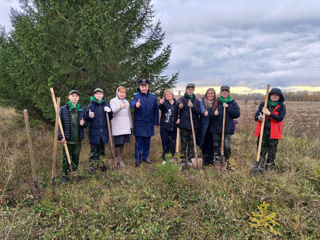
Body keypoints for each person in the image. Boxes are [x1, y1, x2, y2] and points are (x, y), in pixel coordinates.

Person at [58, 90, 87, 182]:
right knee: (66, 157)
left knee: (76, 156)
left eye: (76, 96)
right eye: (72, 96)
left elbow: (86, 123)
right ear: (69, 97)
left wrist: (84, 123)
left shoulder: (82, 109)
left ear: (78, 98)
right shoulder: (63, 109)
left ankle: (74, 172)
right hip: (67, 139)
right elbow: (59, 124)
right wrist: (60, 137)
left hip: (78, 138)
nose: (74, 97)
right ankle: (64, 175)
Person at [254, 88, 286, 170]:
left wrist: (269, 114)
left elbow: (279, 118)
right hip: (263, 131)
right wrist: (259, 117)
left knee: (272, 151)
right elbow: (256, 116)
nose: (274, 96)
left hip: (273, 132)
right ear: (269, 96)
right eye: (273, 94)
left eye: (277, 95)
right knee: (261, 149)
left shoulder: (281, 107)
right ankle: (259, 166)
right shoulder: (263, 105)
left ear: (279, 97)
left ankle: (269, 167)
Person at [209, 85, 240, 170]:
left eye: (226, 91)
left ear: (229, 92)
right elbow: (210, 114)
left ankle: (227, 160)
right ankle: (218, 162)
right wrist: (214, 114)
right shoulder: (216, 102)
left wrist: (228, 107)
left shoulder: (232, 102)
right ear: (220, 92)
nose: (224, 92)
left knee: (226, 146)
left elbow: (237, 114)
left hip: (227, 129)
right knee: (216, 146)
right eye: (223, 91)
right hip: (216, 128)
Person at [130, 78, 159, 167]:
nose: (144, 88)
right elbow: (132, 103)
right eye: (142, 86)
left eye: (145, 86)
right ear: (139, 87)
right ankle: (138, 159)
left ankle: (145, 157)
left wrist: (156, 122)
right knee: (139, 142)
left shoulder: (153, 97)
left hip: (149, 123)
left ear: (148, 86)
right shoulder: (136, 96)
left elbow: (156, 110)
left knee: (147, 142)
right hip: (139, 124)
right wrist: (136, 105)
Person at [86, 88, 113, 173]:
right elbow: (87, 119)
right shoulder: (91, 105)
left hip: (103, 132)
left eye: (100, 93)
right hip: (94, 132)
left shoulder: (106, 105)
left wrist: (109, 112)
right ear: (94, 95)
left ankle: (102, 166)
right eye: (97, 94)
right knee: (94, 152)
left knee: (102, 150)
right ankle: (92, 168)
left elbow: (111, 117)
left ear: (102, 95)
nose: (98, 95)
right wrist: (89, 116)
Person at [176, 83, 201, 165]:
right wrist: (179, 105)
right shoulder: (182, 99)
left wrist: (193, 107)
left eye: (192, 89)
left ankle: (190, 158)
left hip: (193, 126)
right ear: (186, 89)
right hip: (184, 125)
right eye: (189, 89)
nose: (190, 91)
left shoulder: (196, 101)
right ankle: (182, 159)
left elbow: (199, 112)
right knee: (183, 143)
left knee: (191, 143)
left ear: (194, 90)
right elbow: (176, 105)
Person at [110, 86, 132, 168]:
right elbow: (112, 112)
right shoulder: (113, 101)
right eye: (120, 92)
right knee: (118, 143)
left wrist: (130, 125)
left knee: (123, 142)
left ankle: (120, 158)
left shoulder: (126, 102)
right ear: (117, 93)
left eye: (123, 93)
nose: (122, 94)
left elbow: (128, 114)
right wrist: (120, 107)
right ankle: (118, 159)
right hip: (117, 125)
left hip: (125, 125)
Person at [197, 88, 219, 166]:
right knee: (204, 139)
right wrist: (204, 112)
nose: (210, 95)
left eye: (212, 93)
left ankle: (210, 157)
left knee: (211, 141)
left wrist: (212, 113)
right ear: (206, 94)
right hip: (204, 124)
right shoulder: (203, 101)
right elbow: (202, 108)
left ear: (214, 94)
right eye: (208, 93)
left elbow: (217, 111)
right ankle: (205, 154)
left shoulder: (217, 102)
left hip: (213, 124)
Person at [159, 89, 179, 163]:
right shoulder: (164, 103)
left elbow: (179, 113)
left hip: (174, 127)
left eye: (169, 94)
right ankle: (165, 158)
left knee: (173, 143)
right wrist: (161, 103)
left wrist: (179, 119)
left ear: (172, 95)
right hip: (165, 127)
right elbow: (161, 107)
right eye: (166, 95)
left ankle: (172, 157)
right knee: (165, 143)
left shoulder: (176, 104)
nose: (168, 96)